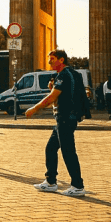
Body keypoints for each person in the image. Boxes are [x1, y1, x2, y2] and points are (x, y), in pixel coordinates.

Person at [29, 49, 87, 197]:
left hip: (65, 117)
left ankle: (77, 185)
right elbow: (62, 95)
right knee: (50, 148)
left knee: (68, 152)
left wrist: (34, 109)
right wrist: (52, 89)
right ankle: (50, 182)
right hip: (67, 117)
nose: (49, 62)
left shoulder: (63, 75)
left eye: (52, 59)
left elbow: (51, 98)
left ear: (61, 60)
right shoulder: (73, 74)